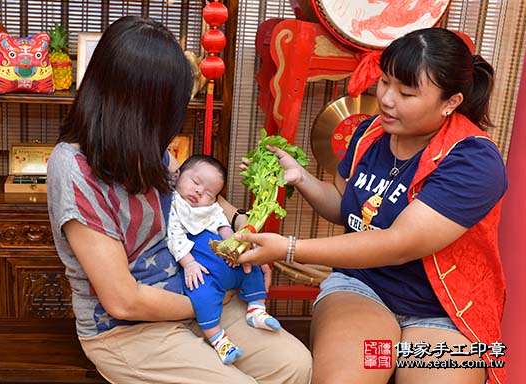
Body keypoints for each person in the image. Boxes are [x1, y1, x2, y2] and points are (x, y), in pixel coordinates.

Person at [46, 16, 311, 384]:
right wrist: (209, 299)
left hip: (193, 290)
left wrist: (241, 228)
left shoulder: (146, 146)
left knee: (294, 364)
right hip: (128, 327)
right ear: (138, 108)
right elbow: (123, 299)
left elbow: (201, 199)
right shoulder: (73, 169)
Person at [235, 27, 507, 384]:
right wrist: (301, 178)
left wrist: (289, 248)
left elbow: (399, 245)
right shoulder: (370, 132)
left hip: (445, 311)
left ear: (450, 102)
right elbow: (344, 208)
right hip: (364, 289)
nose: (387, 99)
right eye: (385, 82)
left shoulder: (473, 159)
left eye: (406, 92)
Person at [168, 154, 281, 365]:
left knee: (252, 267)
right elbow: (174, 237)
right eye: (195, 182)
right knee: (201, 294)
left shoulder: (211, 208)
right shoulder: (174, 204)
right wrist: (189, 264)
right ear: (177, 175)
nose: (200, 191)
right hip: (201, 268)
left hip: (226, 260)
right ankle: (219, 340)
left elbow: (224, 226)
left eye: (209, 193)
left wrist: (235, 249)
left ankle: (257, 308)